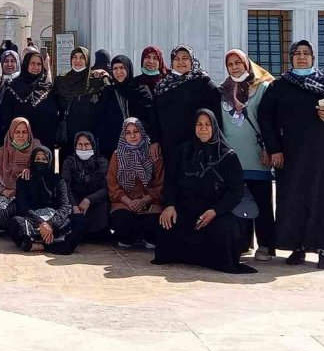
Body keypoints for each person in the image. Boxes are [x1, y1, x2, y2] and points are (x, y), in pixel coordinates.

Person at [258, 40, 324, 269]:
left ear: (313, 58)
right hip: (291, 154)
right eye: (297, 53)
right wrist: (274, 149)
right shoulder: (280, 86)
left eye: (306, 53)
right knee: (294, 199)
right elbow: (266, 118)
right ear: (291, 58)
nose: (302, 57)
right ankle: (298, 247)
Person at [153, 109, 256, 274]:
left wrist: (215, 211)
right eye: (199, 124)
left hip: (217, 210)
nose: (203, 128)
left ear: (214, 127)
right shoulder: (183, 152)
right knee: (167, 224)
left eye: (208, 125)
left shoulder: (227, 156)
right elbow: (170, 181)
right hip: (187, 207)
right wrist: (170, 205)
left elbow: (236, 190)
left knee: (226, 231)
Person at [218, 49, 276, 259]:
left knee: (262, 202)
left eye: (238, 63)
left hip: (257, 155)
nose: (234, 67)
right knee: (238, 201)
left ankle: (266, 244)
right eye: (230, 64)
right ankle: (243, 242)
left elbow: (271, 122)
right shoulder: (223, 90)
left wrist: (270, 148)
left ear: (246, 64)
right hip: (233, 157)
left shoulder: (262, 88)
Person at [148, 45, 222, 168]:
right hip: (169, 147)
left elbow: (216, 116)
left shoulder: (204, 83)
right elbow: (154, 116)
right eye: (176, 59)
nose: (181, 62)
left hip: (197, 146)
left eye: (185, 58)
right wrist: (154, 140)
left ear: (192, 61)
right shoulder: (163, 86)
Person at [7, 145, 81, 254]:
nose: (40, 162)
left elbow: (65, 206)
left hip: (55, 221)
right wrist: (40, 223)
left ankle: (39, 246)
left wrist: (50, 224)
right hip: (33, 221)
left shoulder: (58, 180)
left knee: (79, 221)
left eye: (44, 159)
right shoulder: (24, 179)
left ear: (49, 160)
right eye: (37, 159)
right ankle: (56, 245)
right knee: (15, 223)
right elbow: (22, 206)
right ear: (32, 160)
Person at [107, 118, 163, 248]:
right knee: (122, 222)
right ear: (123, 135)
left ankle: (147, 237)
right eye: (128, 132)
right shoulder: (117, 155)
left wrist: (144, 201)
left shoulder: (153, 153)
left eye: (136, 131)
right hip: (125, 203)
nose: (132, 136)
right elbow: (112, 185)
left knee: (154, 223)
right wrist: (129, 202)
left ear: (142, 132)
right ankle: (130, 238)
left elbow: (160, 185)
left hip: (149, 202)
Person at [0, 117, 41, 228]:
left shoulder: (38, 151)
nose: (21, 136)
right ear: (11, 133)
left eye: (24, 132)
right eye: (17, 132)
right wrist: (2, 190)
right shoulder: (2, 154)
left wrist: (33, 170)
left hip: (30, 196)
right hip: (8, 197)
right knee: (3, 214)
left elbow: (46, 175)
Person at [52, 47, 110, 162]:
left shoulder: (96, 80)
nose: (78, 61)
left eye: (82, 57)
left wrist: (107, 76)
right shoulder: (61, 81)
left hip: (91, 133)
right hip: (68, 135)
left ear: (87, 60)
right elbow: (54, 105)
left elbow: (109, 96)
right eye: (75, 57)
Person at [96, 55, 152, 160]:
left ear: (128, 68)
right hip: (112, 146)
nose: (118, 72)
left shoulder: (141, 90)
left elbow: (149, 117)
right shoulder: (108, 92)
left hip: (137, 144)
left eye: (122, 68)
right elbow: (101, 120)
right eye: (115, 68)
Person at [0, 52, 57, 153]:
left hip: (44, 146)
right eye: (32, 63)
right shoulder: (12, 88)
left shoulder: (48, 88)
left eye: (39, 64)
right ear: (26, 64)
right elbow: (5, 118)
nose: (36, 67)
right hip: (19, 144)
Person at [61, 131, 110, 240]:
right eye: (80, 145)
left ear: (92, 145)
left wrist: (89, 199)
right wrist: (74, 205)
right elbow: (65, 185)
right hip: (74, 201)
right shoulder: (69, 162)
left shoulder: (102, 162)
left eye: (87, 145)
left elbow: (106, 188)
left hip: (95, 201)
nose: (83, 148)